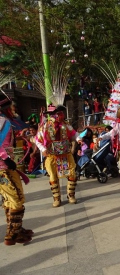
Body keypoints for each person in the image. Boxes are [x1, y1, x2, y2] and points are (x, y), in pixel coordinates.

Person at [0, 92, 33, 245]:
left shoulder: (5, 121)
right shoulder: (2, 121)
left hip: (6, 166)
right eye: (10, 106)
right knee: (15, 199)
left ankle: (16, 229)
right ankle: (12, 234)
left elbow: (6, 142)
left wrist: (19, 136)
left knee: (12, 199)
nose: (13, 108)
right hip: (3, 168)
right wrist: (6, 159)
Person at [36, 105, 80, 207]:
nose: (61, 115)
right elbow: (38, 140)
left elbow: (74, 134)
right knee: (52, 176)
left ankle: (71, 195)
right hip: (52, 156)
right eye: (58, 113)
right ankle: (56, 198)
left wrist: (78, 139)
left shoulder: (66, 125)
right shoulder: (45, 127)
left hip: (66, 155)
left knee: (72, 173)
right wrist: (43, 149)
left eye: (61, 113)